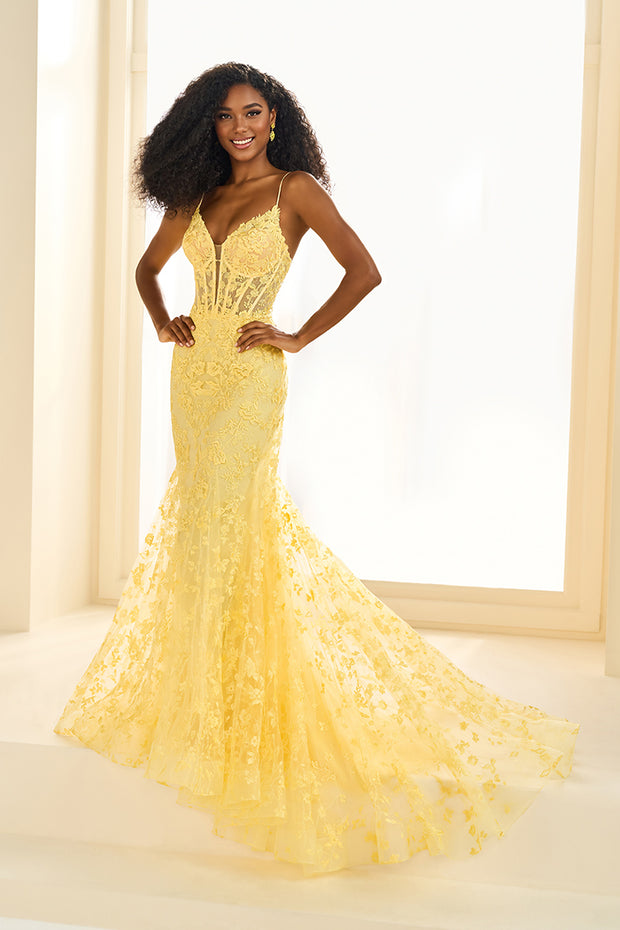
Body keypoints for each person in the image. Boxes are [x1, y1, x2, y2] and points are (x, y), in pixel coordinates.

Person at [54, 62, 580, 877]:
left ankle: (247, 699)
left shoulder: (294, 191)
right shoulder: (195, 196)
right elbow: (146, 270)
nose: (239, 127)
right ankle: (213, 697)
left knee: (239, 519)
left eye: (252, 113)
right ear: (206, 125)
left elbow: (364, 270)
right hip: (194, 380)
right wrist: (163, 322)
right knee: (202, 526)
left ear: (274, 119)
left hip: (251, 381)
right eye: (225, 115)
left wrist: (296, 335)